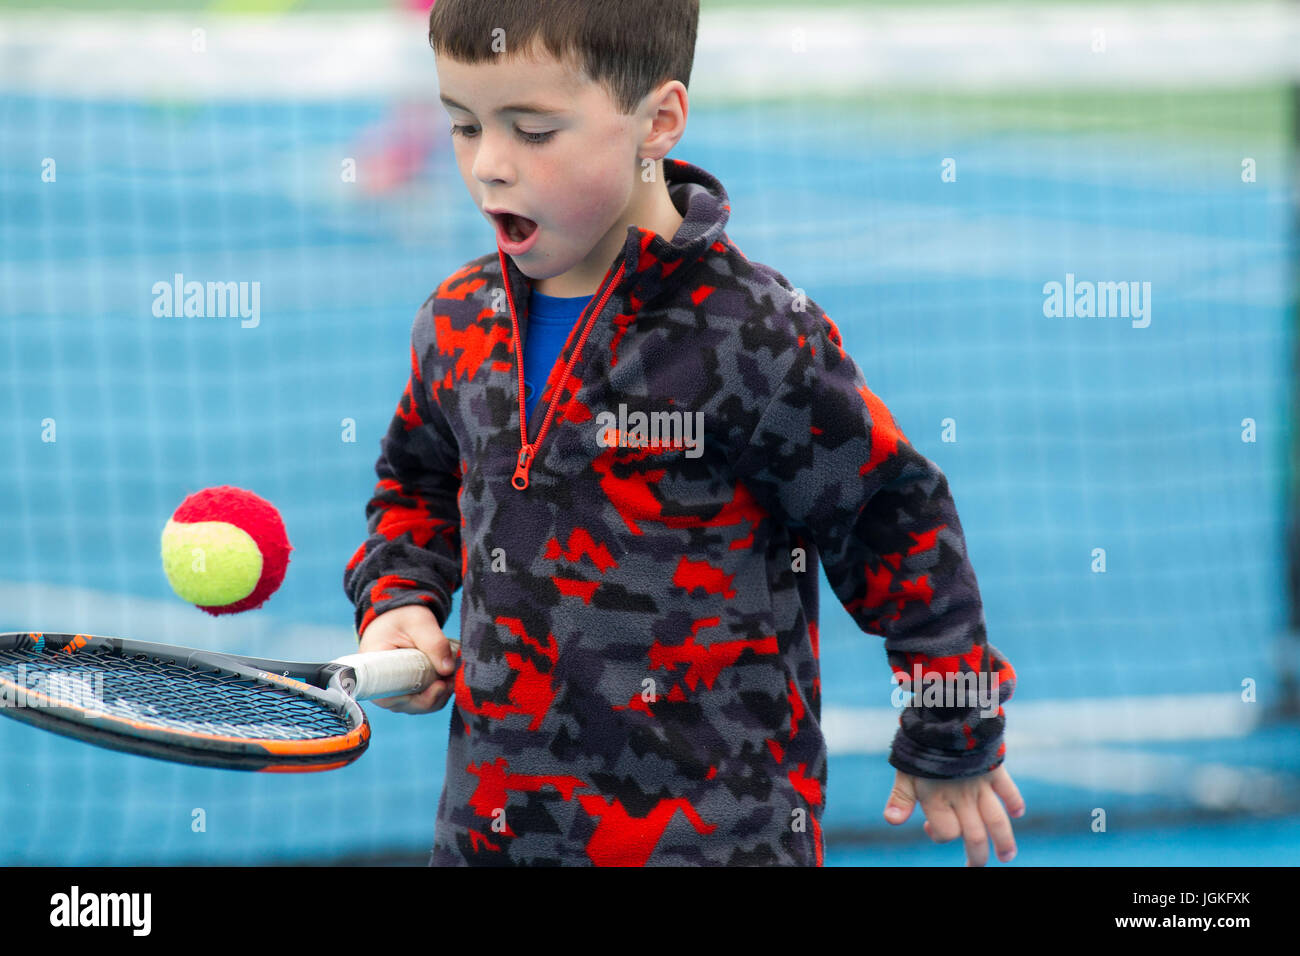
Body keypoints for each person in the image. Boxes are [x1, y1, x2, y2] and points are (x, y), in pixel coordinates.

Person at [344, 0, 1023, 866]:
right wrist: (400, 596)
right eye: (465, 126)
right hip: (494, 836)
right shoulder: (456, 320)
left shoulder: (758, 336)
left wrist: (953, 726)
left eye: (535, 130)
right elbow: (415, 486)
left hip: (719, 838)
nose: (490, 168)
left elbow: (898, 518)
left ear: (657, 122)